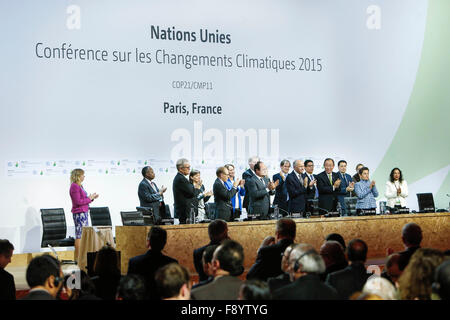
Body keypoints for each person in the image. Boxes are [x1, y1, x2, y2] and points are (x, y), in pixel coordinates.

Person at [127, 226, 178, 299]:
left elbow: (129, 290)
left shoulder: (134, 262)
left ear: (148, 242)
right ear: (164, 243)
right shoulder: (172, 264)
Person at [273, 244, 338, 300]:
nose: (289, 268)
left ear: (299, 266)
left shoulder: (283, 294)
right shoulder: (332, 292)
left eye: (291, 262)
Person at [69, 168, 99, 260]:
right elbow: (78, 201)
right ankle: (77, 258)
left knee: (82, 235)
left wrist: (91, 198)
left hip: (84, 212)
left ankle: (82, 257)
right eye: (83, 175)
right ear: (78, 176)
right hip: (79, 213)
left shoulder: (79, 186)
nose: (84, 176)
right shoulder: (74, 186)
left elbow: (83, 199)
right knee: (79, 235)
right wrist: (89, 198)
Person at [172, 158, 195, 224]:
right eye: (187, 167)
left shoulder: (182, 178)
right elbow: (191, 192)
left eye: (189, 167)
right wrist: (193, 184)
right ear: (180, 169)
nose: (189, 169)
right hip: (183, 212)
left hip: (185, 211)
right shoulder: (180, 179)